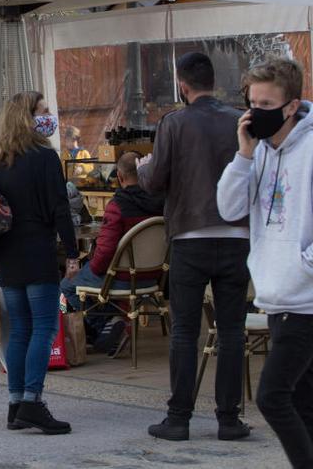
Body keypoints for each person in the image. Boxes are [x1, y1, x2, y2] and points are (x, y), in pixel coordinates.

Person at [137, 52, 251, 442]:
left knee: (185, 330)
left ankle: (179, 418)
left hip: (189, 234)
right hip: (237, 235)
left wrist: (139, 166)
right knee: (232, 330)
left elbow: (153, 181)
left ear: (182, 85)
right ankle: (229, 420)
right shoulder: (239, 119)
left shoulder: (173, 123)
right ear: (212, 81)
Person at [217, 57, 313, 467]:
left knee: (273, 396)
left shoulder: (309, 148)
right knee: (304, 403)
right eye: (251, 102)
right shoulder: (260, 153)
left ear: (292, 106)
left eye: (267, 104)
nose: (256, 112)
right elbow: (228, 207)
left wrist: (304, 264)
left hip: (305, 299)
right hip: (276, 297)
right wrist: (244, 156)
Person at [0, 91, 78, 435]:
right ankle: (32, 403)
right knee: (44, 327)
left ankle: (15, 403)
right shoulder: (44, 157)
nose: (49, 115)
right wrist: (71, 252)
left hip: (8, 253)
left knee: (20, 328)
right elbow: (60, 208)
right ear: (28, 116)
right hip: (37, 249)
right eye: (43, 111)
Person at [59, 152, 164, 351]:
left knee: (67, 285)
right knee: (88, 278)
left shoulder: (118, 206)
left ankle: (106, 325)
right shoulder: (161, 203)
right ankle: (112, 323)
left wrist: (92, 268)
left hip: (122, 277)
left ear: (120, 177)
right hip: (154, 277)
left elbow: (105, 252)